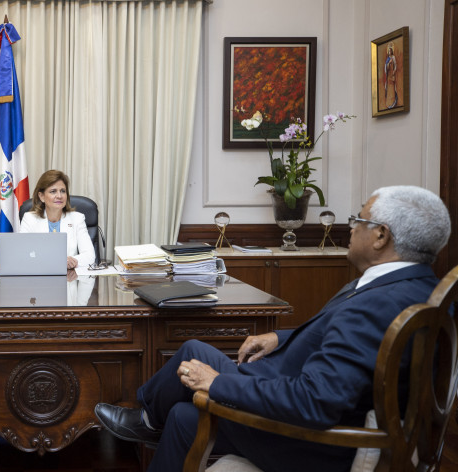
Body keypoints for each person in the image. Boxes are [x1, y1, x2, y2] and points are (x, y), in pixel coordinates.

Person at [95, 185, 451, 472]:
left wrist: (217, 384)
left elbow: (314, 401)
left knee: (186, 414)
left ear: (381, 236)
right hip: (289, 382)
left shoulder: (377, 305)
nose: (351, 227)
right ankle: (147, 419)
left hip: (312, 444)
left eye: (358, 219)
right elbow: (343, 339)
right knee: (192, 350)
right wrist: (279, 337)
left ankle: (149, 422)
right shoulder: (414, 286)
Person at [20, 170, 96, 269]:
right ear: (41, 196)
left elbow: (89, 256)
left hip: (69, 276)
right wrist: (60, 261)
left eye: (63, 191)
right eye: (53, 191)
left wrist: (73, 261)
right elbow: (23, 254)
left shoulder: (77, 219)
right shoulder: (29, 219)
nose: (59, 196)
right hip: (40, 275)